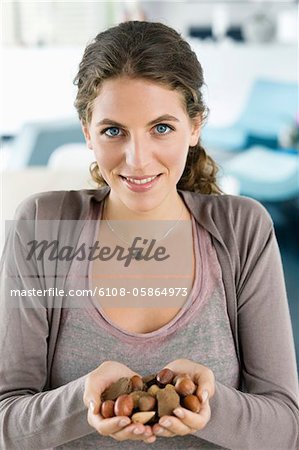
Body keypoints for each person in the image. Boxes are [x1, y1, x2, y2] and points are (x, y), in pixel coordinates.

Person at [0, 20, 298, 450]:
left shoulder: (242, 230)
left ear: (194, 126)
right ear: (87, 131)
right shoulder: (43, 225)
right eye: (113, 131)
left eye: (161, 128)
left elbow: (286, 429)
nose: (137, 160)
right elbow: (6, 422)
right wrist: (80, 402)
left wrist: (210, 408)